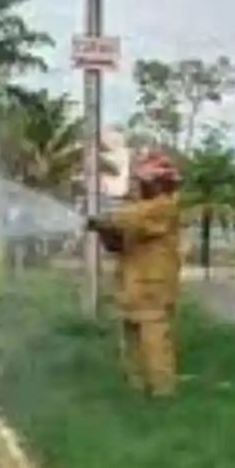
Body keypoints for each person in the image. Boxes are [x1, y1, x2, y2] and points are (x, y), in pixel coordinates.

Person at [86, 151, 183, 397]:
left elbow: (129, 220)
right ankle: (139, 393)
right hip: (133, 288)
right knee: (132, 342)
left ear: (159, 182)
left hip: (154, 289)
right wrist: (103, 231)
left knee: (154, 341)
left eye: (146, 179)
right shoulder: (139, 210)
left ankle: (162, 393)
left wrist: (103, 221)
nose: (140, 183)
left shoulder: (164, 206)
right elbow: (117, 242)